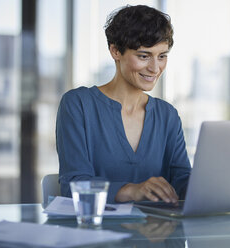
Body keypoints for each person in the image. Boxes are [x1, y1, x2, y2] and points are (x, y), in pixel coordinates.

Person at [56, 5, 191, 204]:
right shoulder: (78, 105)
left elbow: (182, 181)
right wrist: (132, 191)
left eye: (162, 56)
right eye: (143, 56)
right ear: (115, 51)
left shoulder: (167, 115)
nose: (155, 68)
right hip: (96, 231)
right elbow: (73, 184)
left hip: (158, 233)